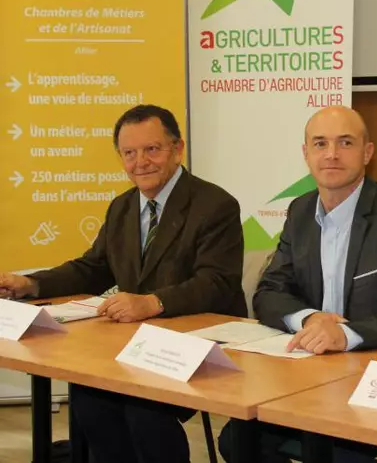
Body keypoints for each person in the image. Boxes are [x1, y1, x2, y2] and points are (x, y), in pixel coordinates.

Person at [0, 104, 247, 463]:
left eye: (152, 149)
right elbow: (93, 268)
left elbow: (217, 283)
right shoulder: (122, 208)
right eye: (129, 153)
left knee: (144, 411)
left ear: (177, 149)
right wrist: (30, 283)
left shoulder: (215, 204)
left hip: (201, 343)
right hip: (138, 343)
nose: (140, 162)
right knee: (90, 400)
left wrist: (152, 302)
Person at [219, 105, 377, 462]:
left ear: (367, 153)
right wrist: (309, 318)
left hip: (369, 383)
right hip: (304, 378)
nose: (332, 154)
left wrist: (348, 334)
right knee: (237, 439)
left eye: (345, 143)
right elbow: (269, 292)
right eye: (320, 143)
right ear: (306, 154)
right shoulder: (300, 212)